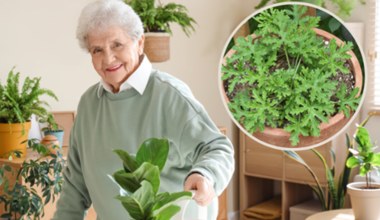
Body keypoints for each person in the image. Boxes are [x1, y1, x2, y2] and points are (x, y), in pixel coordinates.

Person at [52, 0, 234, 219]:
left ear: (139, 43)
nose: (108, 58)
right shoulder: (89, 104)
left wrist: (204, 174)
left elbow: (217, 147)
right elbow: (75, 188)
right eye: (97, 50)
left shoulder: (168, 95)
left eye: (117, 45)